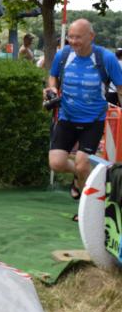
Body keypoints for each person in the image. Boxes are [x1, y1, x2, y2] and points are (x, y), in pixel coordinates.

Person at [45, 19, 122, 201]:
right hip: (67, 117)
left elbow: (120, 88)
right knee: (56, 163)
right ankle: (82, 175)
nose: (73, 41)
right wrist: (52, 88)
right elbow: (53, 76)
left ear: (91, 36)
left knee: (82, 163)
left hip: (93, 120)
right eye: (70, 37)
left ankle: (86, 205)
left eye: (78, 37)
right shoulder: (63, 55)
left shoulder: (106, 58)